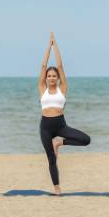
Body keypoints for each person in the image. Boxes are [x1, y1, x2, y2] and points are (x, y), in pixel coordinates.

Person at [38, 32, 91, 195]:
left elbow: (60, 67)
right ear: (46, 78)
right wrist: (48, 47)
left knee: (86, 140)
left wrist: (56, 46)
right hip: (46, 127)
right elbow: (43, 66)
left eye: (54, 76)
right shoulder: (42, 89)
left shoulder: (63, 89)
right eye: (49, 76)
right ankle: (56, 187)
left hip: (61, 125)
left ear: (57, 78)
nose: (52, 77)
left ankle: (59, 143)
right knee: (51, 159)